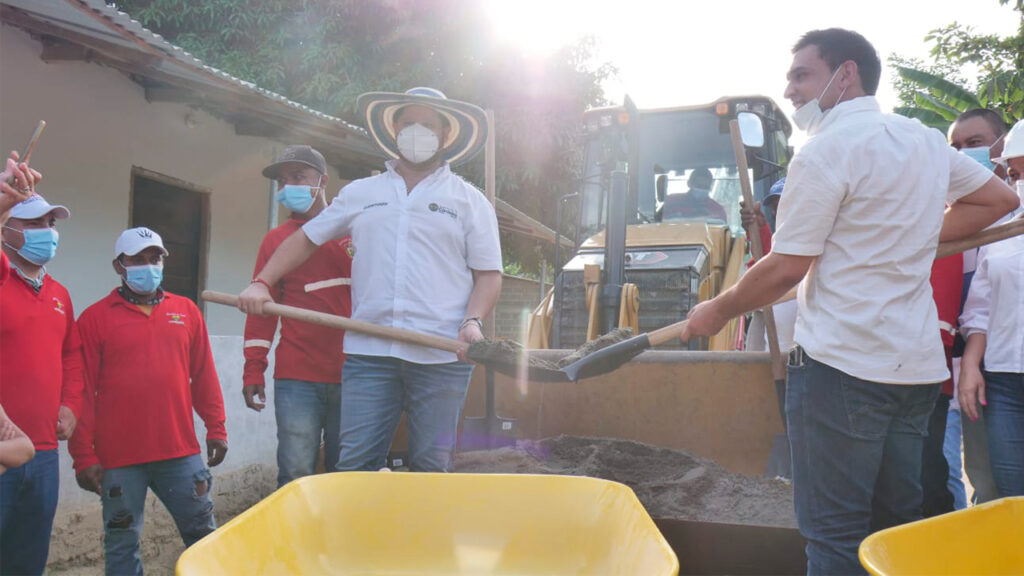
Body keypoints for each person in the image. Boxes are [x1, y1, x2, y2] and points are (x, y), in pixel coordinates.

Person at [679, 29, 1018, 574]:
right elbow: (999, 199)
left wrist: (715, 311)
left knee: (835, 539)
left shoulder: (823, 153)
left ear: (847, 74)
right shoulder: (923, 140)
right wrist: (914, 234)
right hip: (914, 375)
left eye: (801, 76)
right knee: (891, 533)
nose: (789, 91)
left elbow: (787, 267)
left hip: (841, 370)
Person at [238, 87, 502, 473]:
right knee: (355, 464)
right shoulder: (362, 192)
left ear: (446, 136)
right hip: (369, 356)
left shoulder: (469, 201)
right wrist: (262, 282)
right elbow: (306, 239)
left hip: (442, 355)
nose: (417, 131)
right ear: (394, 130)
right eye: (408, 122)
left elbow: (488, 275)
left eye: (428, 124)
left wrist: (472, 321)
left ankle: (419, 535)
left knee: (431, 465)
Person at [68, 227, 227, 575]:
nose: (148, 266)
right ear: (118, 266)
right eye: (137, 260)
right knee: (122, 545)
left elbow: (204, 376)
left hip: (180, 453)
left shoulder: (186, 311)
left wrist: (216, 428)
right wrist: (83, 455)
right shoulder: (95, 318)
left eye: (154, 258)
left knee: (204, 538)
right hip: (119, 460)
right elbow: (82, 391)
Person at [244, 145, 353, 487]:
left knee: (347, 473)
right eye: (283, 179)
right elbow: (261, 309)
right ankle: (296, 540)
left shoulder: (354, 232)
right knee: (295, 473)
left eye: (298, 177)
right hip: (297, 377)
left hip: (356, 375)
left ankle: (341, 540)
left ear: (322, 181)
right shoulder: (275, 241)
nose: (287, 186)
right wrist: (253, 368)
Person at [1, 189, 85, 575]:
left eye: (50, 223)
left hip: (45, 451)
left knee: (28, 559)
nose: (46, 231)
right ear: (7, 228)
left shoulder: (59, 295)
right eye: (34, 223)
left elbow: (71, 355)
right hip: (2, 452)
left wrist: (70, 404)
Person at [947, 108, 1011, 505]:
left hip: (1009, 364)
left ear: (1001, 146)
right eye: (954, 147)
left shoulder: (1016, 215)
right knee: (987, 483)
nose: (962, 154)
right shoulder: (948, 220)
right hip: (972, 371)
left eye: (974, 144)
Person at [958, 119, 1024, 499]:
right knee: (1012, 498)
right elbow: (980, 310)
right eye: (1015, 173)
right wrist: (970, 366)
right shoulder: (1001, 234)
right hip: (1004, 385)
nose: (1020, 182)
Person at [661, 167, 728, 223]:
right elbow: (660, 224)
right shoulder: (672, 201)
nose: (702, 190)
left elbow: (723, 233)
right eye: (698, 186)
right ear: (689, 183)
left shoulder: (717, 209)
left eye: (705, 187)